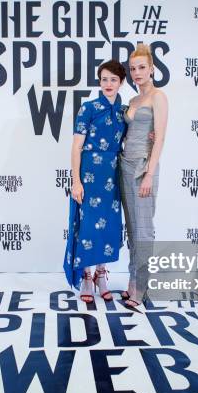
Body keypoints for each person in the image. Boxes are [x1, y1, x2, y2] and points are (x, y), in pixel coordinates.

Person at [63, 60, 128, 303]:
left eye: (113, 79)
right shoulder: (88, 108)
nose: (108, 84)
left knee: (108, 227)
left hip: (112, 176)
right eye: (104, 79)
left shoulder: (125, 111)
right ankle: (87, 277)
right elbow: (76, 146)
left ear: (121, 82)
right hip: (89, 176)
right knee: (88, 226)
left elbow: (132, 137)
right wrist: (76, 181)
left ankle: (102, 275)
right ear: (99, 82)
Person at [120, 43, 169, 308]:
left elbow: (160, 137)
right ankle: (131, 284)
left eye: (142, 67)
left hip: (143, 168)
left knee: (144, 231)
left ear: (151, 69)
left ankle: (141, 289)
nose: (137, 72)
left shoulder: (158, 97)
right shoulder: (133, 100)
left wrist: (150, 173)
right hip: (125, 167)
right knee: (132, 229)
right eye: (133, 68)